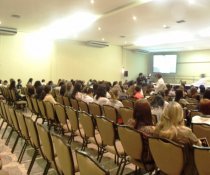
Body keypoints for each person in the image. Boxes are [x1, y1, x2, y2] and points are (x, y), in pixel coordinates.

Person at [154, 101, 201, 175]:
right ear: (180, 115)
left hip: (164, 165)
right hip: (185, 170)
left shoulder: (157, 130)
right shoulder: (186, 132)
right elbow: (199, 148)